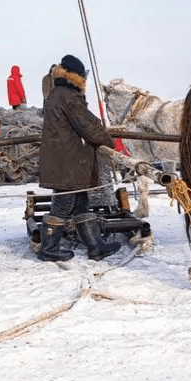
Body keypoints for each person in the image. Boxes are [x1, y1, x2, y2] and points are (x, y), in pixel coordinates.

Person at [36, 54, 122, 262]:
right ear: (77, 77)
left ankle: (96, 246)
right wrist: (108, 141)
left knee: (81, 203)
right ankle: (48, 249)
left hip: (67, 160)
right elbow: (88, 126)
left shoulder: (57, 94)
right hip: (69, 161)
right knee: (63, 204)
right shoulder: (69, 97)